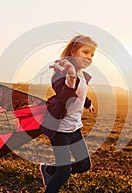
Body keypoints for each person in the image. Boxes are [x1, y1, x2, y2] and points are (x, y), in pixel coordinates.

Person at [39, 35, 97, 193]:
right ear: (73, 51)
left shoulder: (82, 75)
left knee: (84, 166)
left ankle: (49, 169)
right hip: (60, 131)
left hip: (75, 129)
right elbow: (65, 96)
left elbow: (79, 95)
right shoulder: (61, 74)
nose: (89, 57)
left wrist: (88, 103)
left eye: (92, 54)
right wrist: (70, 75)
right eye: (85, 52)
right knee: (63, 173)